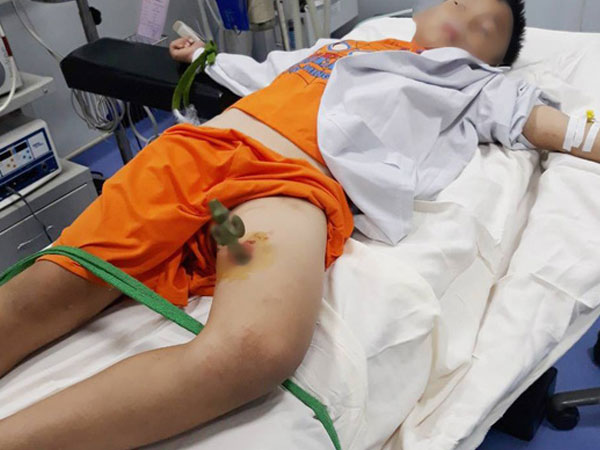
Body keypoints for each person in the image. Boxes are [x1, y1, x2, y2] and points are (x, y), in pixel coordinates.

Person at [0, 1, 597, 448]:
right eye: (460, 2)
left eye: (485, 27)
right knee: (54, 288)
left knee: (257, 348)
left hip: (291, 184)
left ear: (491, 59)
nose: (464, 19)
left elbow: (550, 126)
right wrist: (204, 57)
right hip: (201, 151)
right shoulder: (343, 48)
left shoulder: (472, 82)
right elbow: (260, 71)